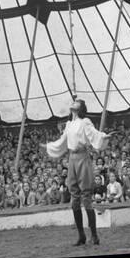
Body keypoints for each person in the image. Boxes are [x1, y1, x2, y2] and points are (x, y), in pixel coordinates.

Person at [40, 99, 113, 245]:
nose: (73, 102)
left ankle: (94, 235)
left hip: (82, 157)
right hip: (72, 159)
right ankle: (81, 236)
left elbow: (94, 134)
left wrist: (104, 136)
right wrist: (48, 146)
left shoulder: (85, 121)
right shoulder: (69, 124)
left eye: (76, 102)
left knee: (86, 196)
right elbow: (62, 141)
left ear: (80, 108)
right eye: (73, 101)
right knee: (74, 197)